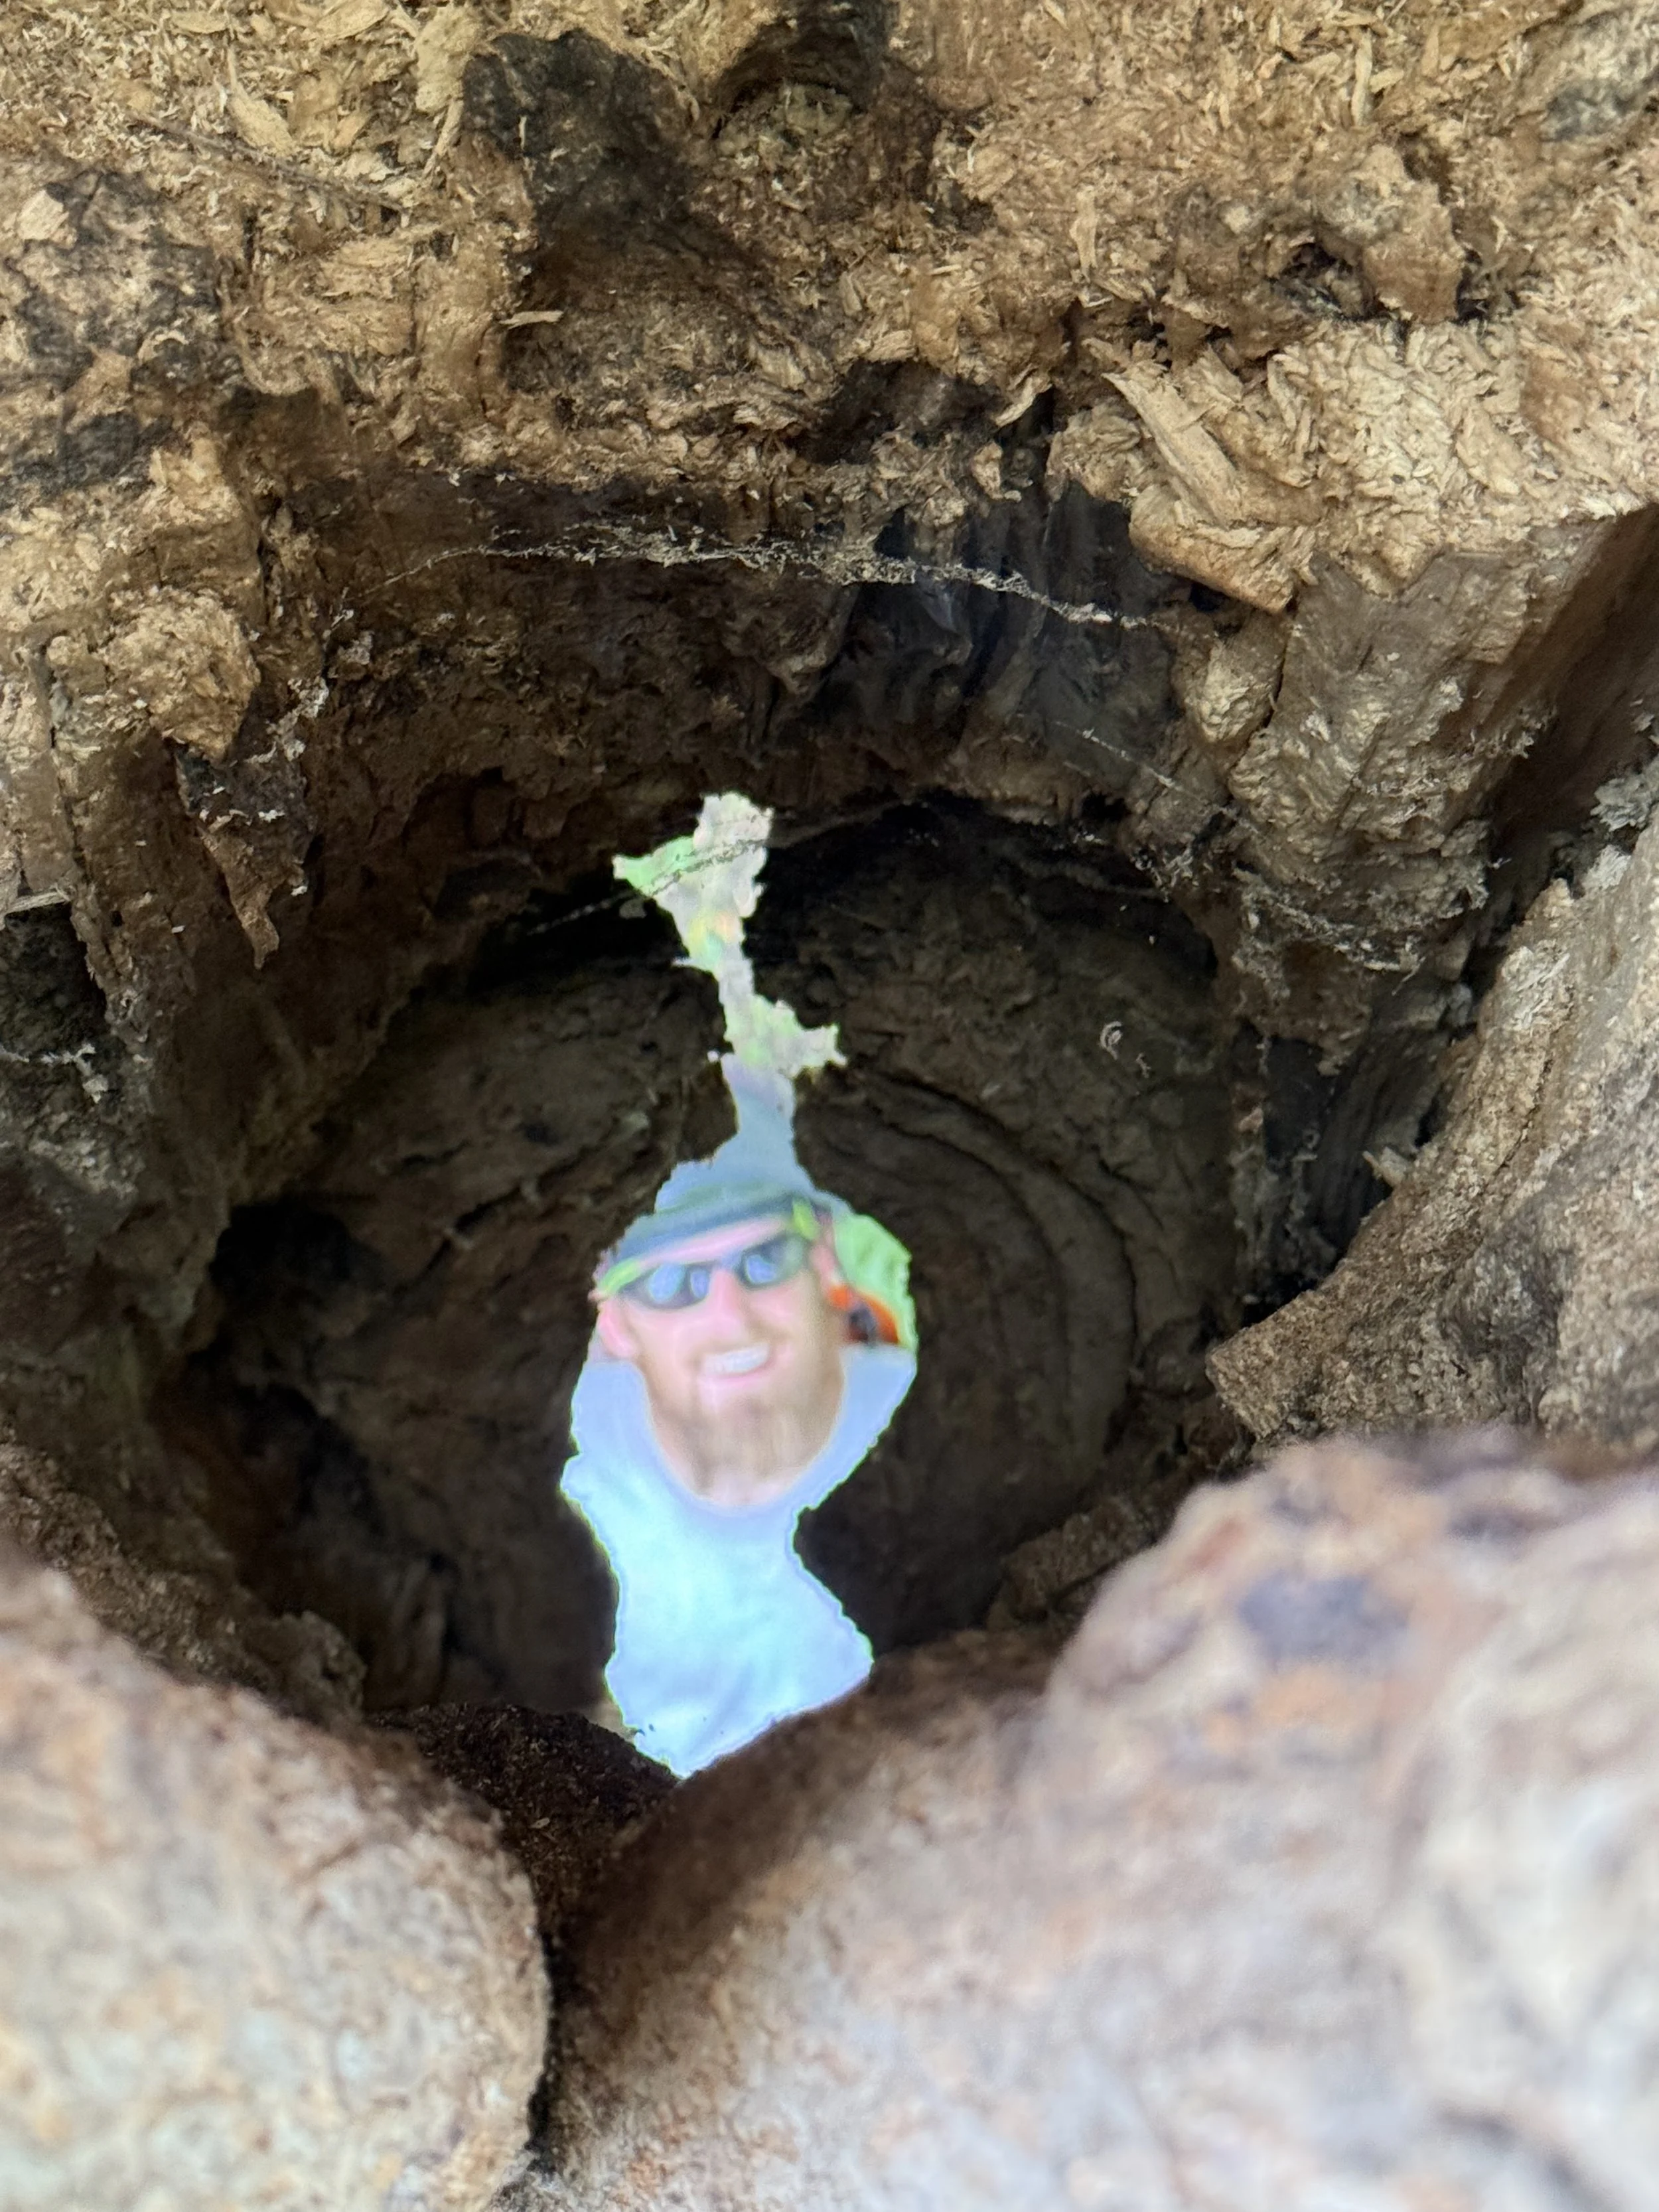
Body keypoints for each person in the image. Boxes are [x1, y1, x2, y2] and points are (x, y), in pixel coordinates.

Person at [560, 1079, 915, 1776]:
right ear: (615, 1321)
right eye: (671, 1285)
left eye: (763, 1260)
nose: (731, 1316)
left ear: (823, 1263)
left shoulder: (946, 1430)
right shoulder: (555, 1472)